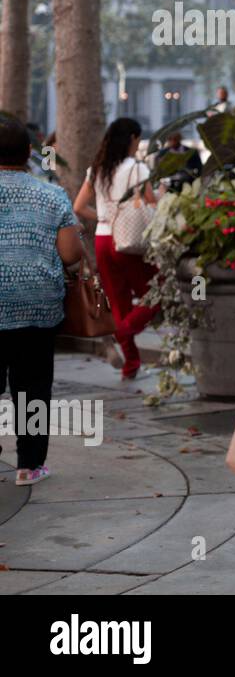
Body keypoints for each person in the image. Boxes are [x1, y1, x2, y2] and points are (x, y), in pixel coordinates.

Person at [0, 114, 84, 486]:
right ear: (29, 153)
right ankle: (29, 466)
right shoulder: (51, 194)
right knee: (32, 387)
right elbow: (70, 254)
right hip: (36, 305)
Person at [72, 118, 159, 379]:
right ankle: (127, 329)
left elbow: (78, 207)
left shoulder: (96, 168)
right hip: (129, 241)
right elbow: (151, 204)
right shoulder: (136, 169)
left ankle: (131, 365)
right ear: (132, 138)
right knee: (157, 293)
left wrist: (104, 217)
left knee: (120, 304)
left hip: (102, 239)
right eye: (138, 139)